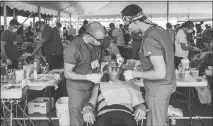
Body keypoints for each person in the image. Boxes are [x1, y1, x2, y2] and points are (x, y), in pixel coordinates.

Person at [121, 4, 176, 126]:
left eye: (127, 26)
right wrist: (142, 63)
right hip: (167, 85)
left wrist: (133, 73)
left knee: (155, 123)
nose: (127, 29)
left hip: (158, 89)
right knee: (161, 120)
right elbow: (163, 58)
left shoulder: (149, 39)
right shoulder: (159, 30)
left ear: (134, 21)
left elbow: (160, 73)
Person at [64, 21, 124, 126]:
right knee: (77, 116)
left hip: (94, 84)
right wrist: (87, 77)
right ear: (89, 36)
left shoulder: (98, 41)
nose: (101, 43)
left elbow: (112, 45)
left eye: (102, 40)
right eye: (99, 40)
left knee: (93, 114)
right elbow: (67, 73)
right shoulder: (73, 48)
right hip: (78, 88)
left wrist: (118, 55)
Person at [82, 60, 147, 126]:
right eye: (111, 63)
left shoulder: (130, 85)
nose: (114, 64)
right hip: (105, 115)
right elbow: (91, 103)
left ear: (121, 70)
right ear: (106, 71)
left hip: (125, 114)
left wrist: (142, 107)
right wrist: (87, 109)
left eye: (116, 64)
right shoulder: (99, 85)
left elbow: (138, 103)